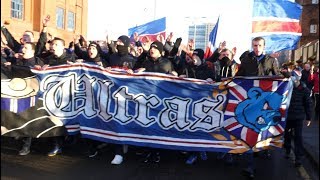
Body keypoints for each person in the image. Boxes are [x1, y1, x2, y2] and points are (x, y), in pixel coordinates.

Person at [236, 37, 282, 178]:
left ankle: (263, 148)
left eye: (259, 45)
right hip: (250, 102)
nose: (257, 48)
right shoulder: (246, 60)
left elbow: (278, 78)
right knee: (251, 130)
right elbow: (238, 77)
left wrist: (285, 77)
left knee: (262, 129)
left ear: (264, 46)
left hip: (265, 103)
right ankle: (250, 166)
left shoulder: (271, 61)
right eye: (255, 45)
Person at [3, 42, 43, 155]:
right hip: (17, 94)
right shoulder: (17, 61)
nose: (23, 50)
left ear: (33, 51)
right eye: (22, 47)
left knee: (28, 119)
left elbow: (33, 72)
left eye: (26, 48)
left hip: (31, 96)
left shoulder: (37, 62)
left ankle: (27, 145)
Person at [37, 37, 76, 157]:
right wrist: (41, 69)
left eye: (56, 44)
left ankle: (72, 139)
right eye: (52, 44)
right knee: (53, 120)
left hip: (69, 95)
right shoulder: (48, 60)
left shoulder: (71, 58)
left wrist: (75, 66)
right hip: (53, 96)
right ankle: (57, 145)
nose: (53, 46)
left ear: (62, 47)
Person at [179, 48, 213, 164]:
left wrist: (211, 80)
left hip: (204, 104)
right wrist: (180, 78)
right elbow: (181, 77)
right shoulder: (188, 68)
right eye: (193, 55)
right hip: (190, 103)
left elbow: (216, 80)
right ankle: (193, 153)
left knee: (202, 128)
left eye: (196, 56)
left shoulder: (208, 69)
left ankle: (202, 149)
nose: (193, 57)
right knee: (191, 128)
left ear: (201, 57)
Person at [284, 69, 312, 167]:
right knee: (287, 135)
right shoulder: (286, 88)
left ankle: (298, 158)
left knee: (298, 137)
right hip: (288, 116)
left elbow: (308, 104)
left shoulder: (304, 90)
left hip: (298, 117)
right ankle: (287, 149)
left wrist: (309, 117)